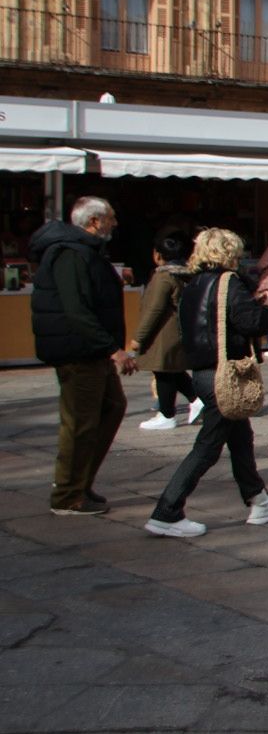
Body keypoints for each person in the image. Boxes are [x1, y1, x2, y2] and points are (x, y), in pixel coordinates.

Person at [145, 228, 268, 537]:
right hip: (222, 373)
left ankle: (259, 500)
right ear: (229, 253)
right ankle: (167, 510)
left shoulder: (192, 283)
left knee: (241, 437)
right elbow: (249, 321)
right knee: (207, 446)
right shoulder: (229, 283)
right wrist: (267, 310)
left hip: (201, 371)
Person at [30, 197, 137, 516]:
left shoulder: (84, 251)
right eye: (111, 218)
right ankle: (67, 494)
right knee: (80, 422)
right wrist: (112, 349)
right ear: (94, 222)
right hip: (79, 351)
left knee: (111, 407)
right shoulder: (70, 254)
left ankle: (79, 483)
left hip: (89, 350)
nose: (115, 224)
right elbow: (76, 309)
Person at [130, 231, 202, 431]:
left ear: (157, 255)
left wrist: (138, 337)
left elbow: (154, 309)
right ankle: (196, 399)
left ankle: (166, 413)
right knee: (174, 371)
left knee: (163, 372)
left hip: (163, 333)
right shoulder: (184, 274)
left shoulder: (163, 277)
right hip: (177, 331)